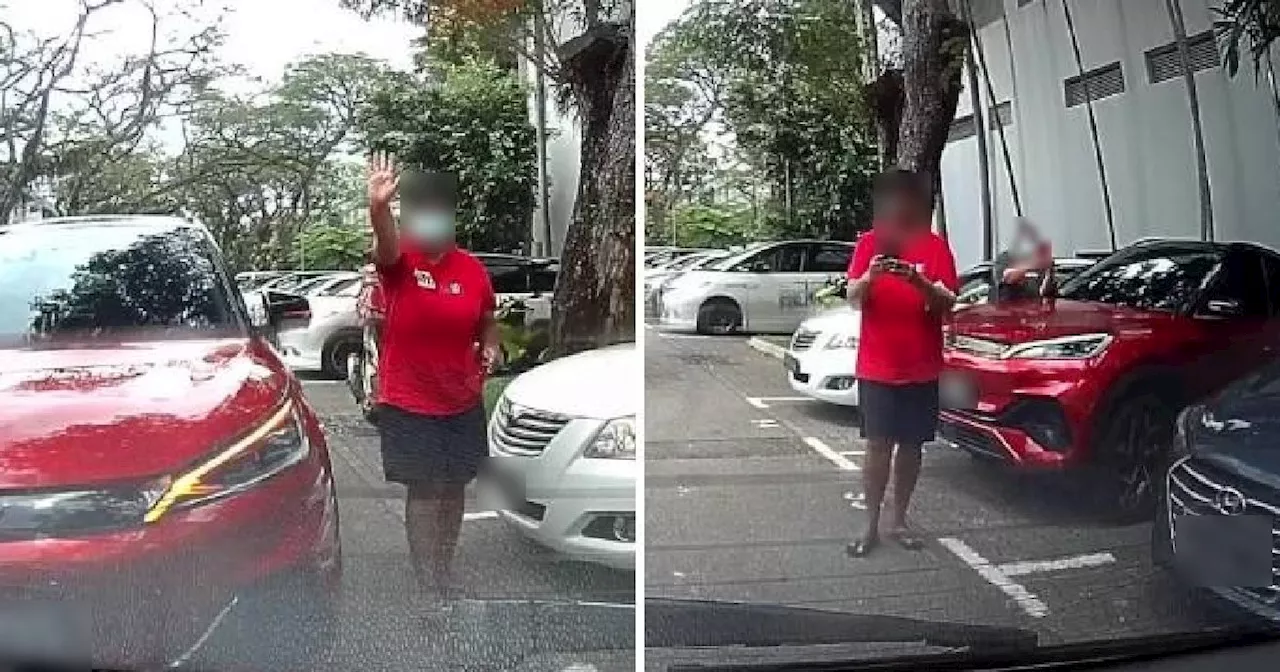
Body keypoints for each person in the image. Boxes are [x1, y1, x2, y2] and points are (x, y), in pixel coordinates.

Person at [365, 151, 501, 603]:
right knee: (425, 490)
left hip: (460, 398)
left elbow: (486, 317)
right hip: (408, 400)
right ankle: (428, 585)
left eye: (441, 212)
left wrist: (492, 343)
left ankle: (445, 569)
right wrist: (379, 207)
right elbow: (384, 247)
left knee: (455, 486)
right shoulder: (402, 260)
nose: (433, 220)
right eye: (424, 213)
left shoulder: (472, 269)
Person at [845, 169, 958, 557]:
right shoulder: (869, 244)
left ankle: (899, 521)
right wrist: (871, 277)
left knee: (911, 447)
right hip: (877, 367)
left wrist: (919, 282)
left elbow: (948, 302)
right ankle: (870, 524)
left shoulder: (935, 247)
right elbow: (853, 297)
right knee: (877, 446)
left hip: (922, 368)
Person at [991, 218, 1054, 303]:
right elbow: (1008, 277)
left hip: (1035, 310)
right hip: (1010, 310)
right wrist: (1034, 264)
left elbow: (1045, 294)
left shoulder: (1044, 266)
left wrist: (1049, 271)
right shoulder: (1004, 259)